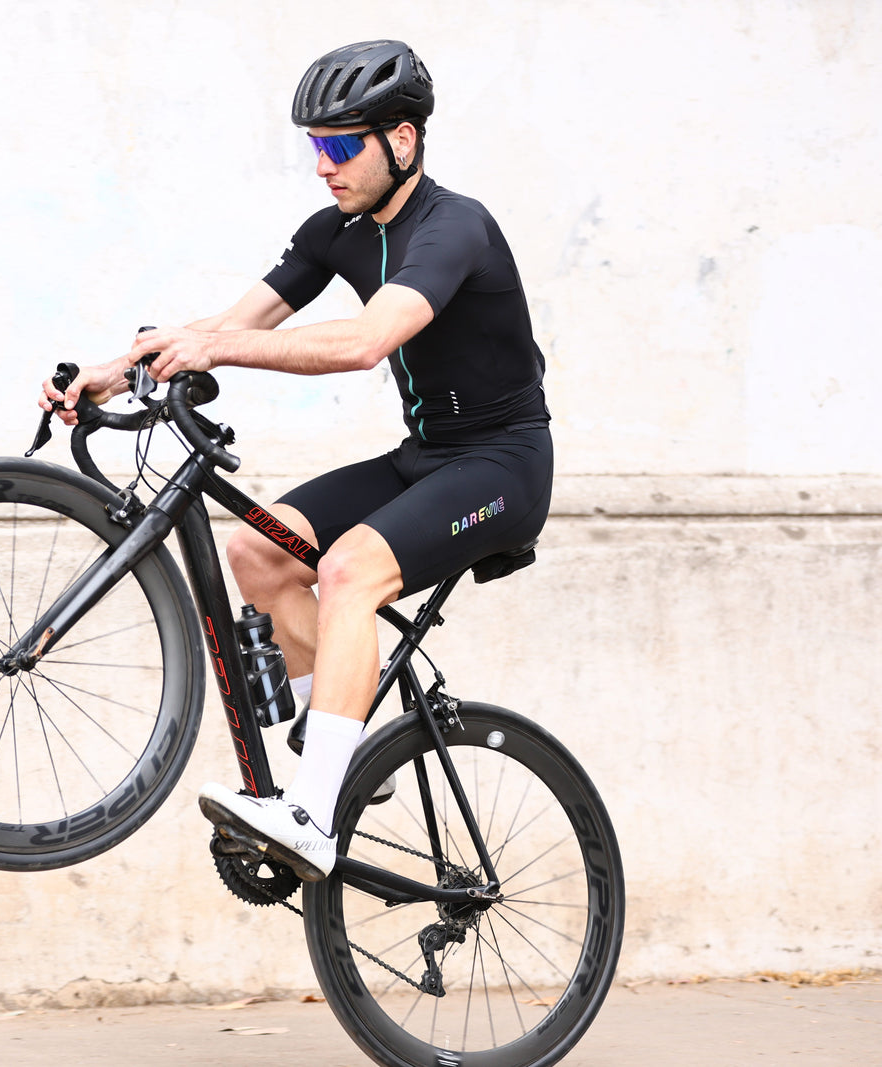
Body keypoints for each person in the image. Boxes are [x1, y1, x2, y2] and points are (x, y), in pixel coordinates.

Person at [38, 40, 552, 882]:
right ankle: (340, 749)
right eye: (314, 145)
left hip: (503, 468)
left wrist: (217, 345)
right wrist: (113, 370)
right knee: (258, 549)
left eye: (342, 146)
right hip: (426, 457)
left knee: (349, 570)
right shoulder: (334, 234)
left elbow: (365, 340)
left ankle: (311, 813)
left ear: (404, 141)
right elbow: (235, 321)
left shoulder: (456, 227)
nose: (324, 165)